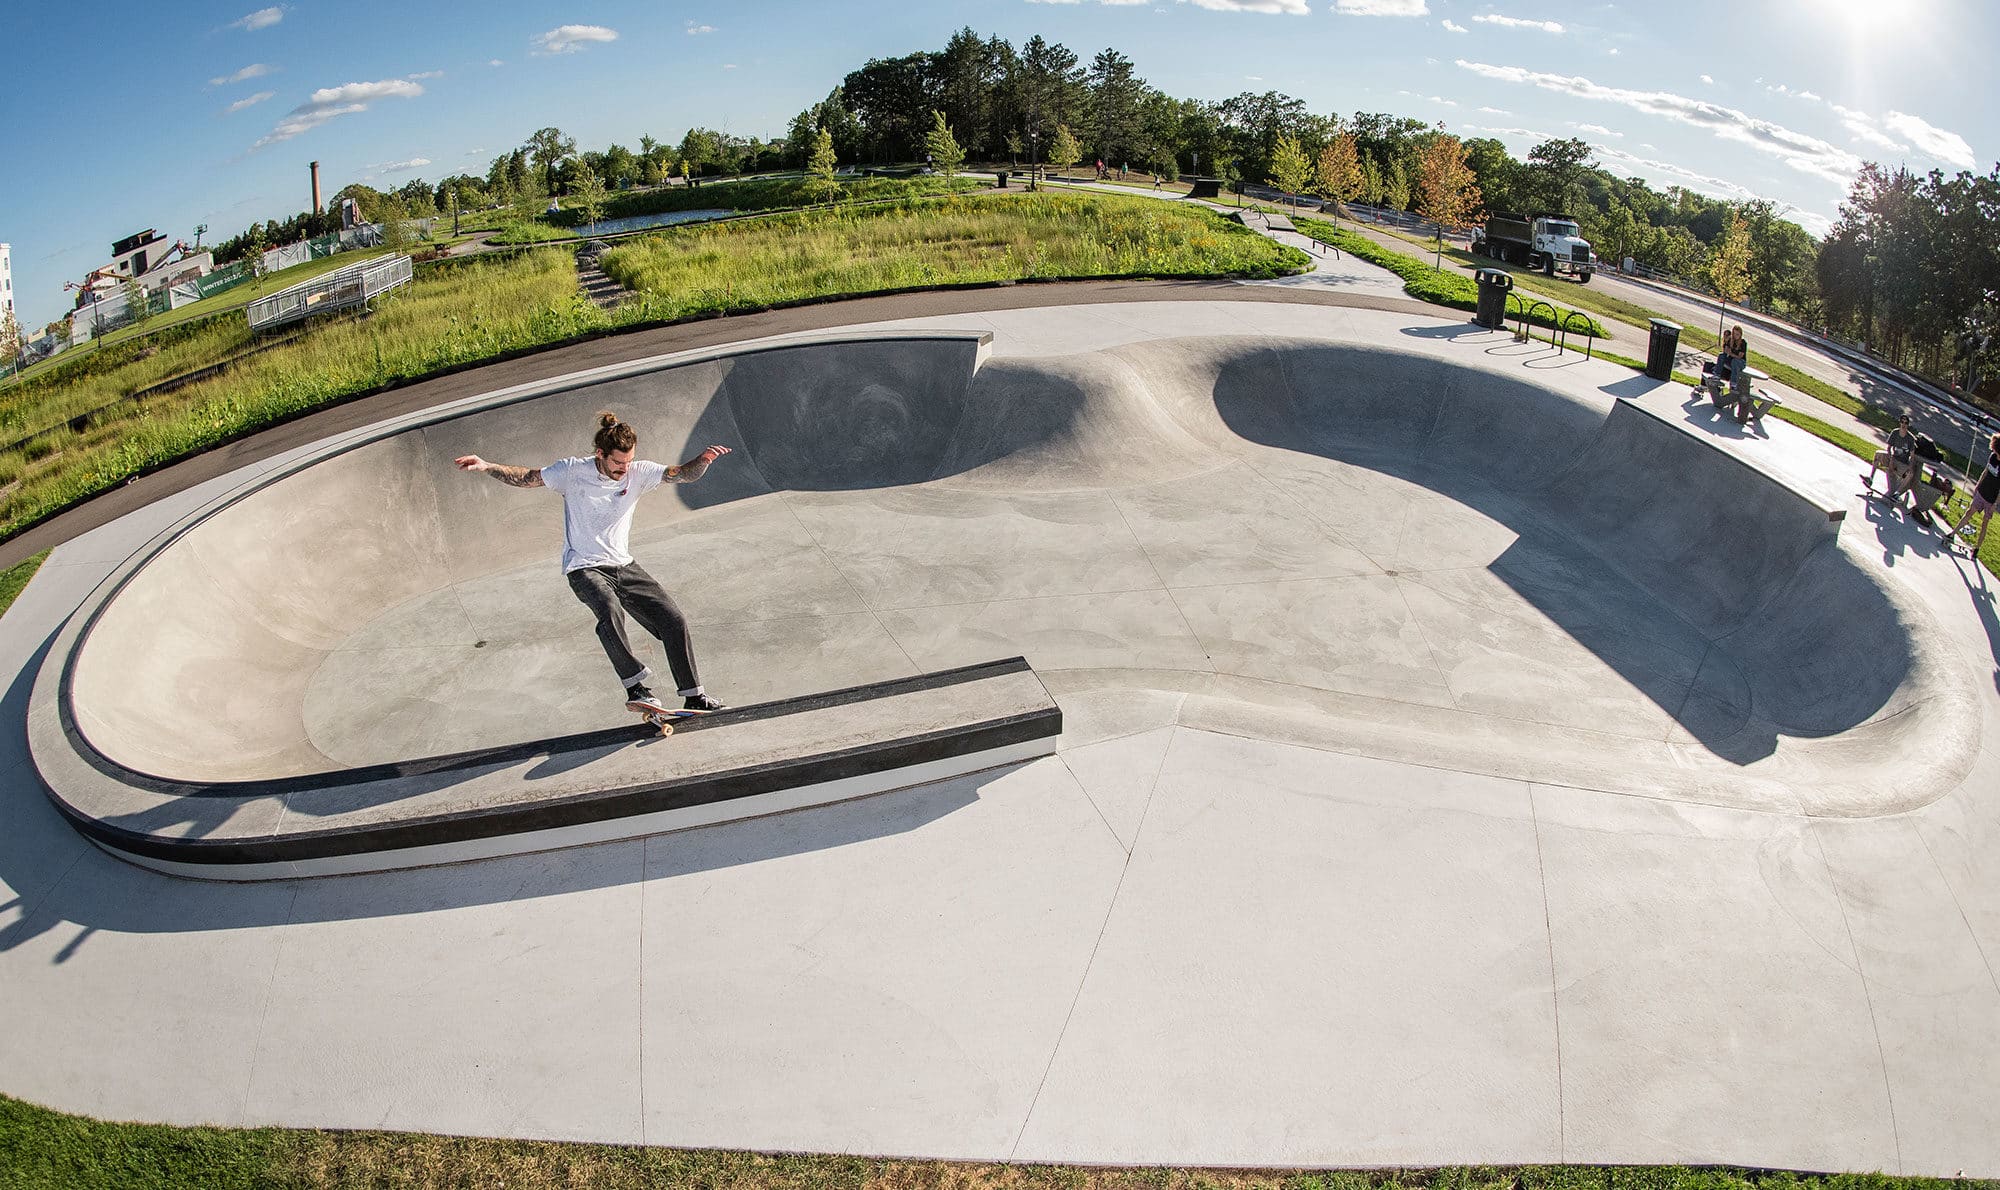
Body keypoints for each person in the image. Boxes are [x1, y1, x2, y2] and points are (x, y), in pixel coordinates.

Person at [454, 412, 733, 717]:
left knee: (673, 619)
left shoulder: (638, 472)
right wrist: (486, 466)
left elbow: (679, 474)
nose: (624, 470)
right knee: (609, 610)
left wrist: (703, 460)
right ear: (600, 454)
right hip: (584, 568)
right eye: (617, 464)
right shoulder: (572, 471)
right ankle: (636, 687)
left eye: (628, 463)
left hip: (624, 566)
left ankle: (694, 695)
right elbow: (527, 477)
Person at [1948, 430, 2000, 556]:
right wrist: (1977, 485)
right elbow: (1985, 472)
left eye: (1995, 450)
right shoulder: (1992, 457)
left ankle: (1976, 548)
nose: (1993, 452)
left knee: (1984, 523)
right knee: (1969, 512)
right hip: (1982, 492)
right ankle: (1952, 533)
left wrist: (1995, 504)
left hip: (1991, 499)